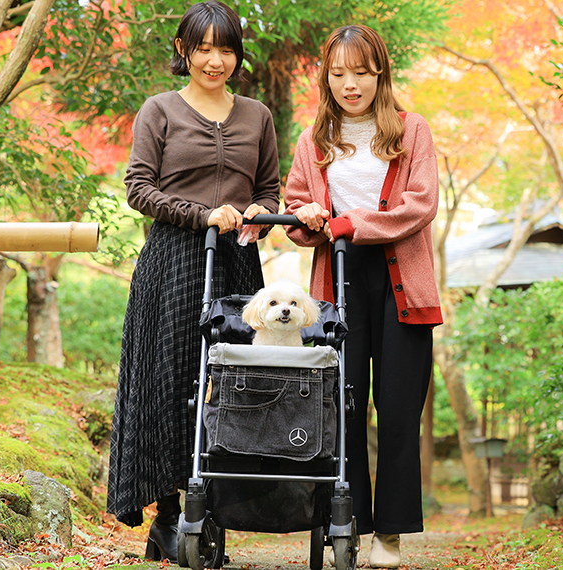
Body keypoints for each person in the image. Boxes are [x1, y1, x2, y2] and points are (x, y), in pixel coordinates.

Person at [106, 1, 281, 563]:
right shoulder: (159, 109)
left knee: (231, 385)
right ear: (184, 51)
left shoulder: (257, 115)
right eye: (202, 48)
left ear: (236, 54)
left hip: (236, 265)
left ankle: (215, 513)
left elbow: (272, 190)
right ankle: (167, 515)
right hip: (173, 262)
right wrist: (199, 214)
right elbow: (138, 189)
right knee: (171, 383)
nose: (214, 60)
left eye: (225, 48)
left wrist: (256, 212)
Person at [284, 24, 442, 569]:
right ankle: (348, 522)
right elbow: (300, 215)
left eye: (362, 72)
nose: (350, 84)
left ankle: (390, 535)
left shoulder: (411, 131)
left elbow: (420, 206)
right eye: (339, 73)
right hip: (337, 283)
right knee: (342, 408)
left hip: (403, 283)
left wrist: (353, 222)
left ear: (381, 74)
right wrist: (309, 219)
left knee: (397, 410)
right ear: (327, 78)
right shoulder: (313, 140)